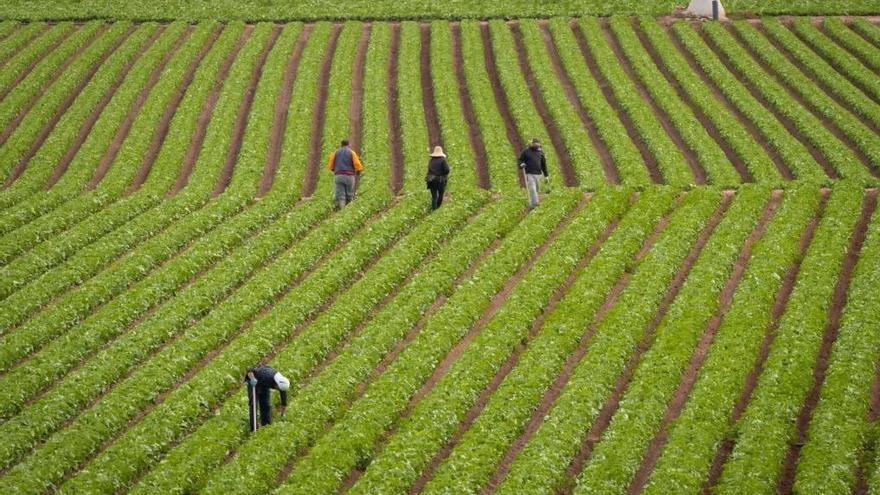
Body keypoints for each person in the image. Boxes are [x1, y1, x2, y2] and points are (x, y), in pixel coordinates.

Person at [244, 365, 290, 429]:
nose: (277, 389)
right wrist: (252, 378)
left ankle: (266, 426)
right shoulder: (266, 376)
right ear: (277, 384)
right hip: (254, 381)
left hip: (264, 384)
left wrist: (282, 414)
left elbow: (284, 401)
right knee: (253, 405)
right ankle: (253, 428)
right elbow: (250, 369)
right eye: (277, 388)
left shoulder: (282, 384)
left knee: (266, 404)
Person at [327, 139, 363, 208]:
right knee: (350, 194)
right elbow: (357, 164)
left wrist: (335, 170)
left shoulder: (335, 152)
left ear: (341, 145)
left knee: (340, 194)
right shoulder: (351, 152)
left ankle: (342, 209)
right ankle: (349, 210)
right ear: (348, 145)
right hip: (349, 176)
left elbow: (330, 165)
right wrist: (359, 171)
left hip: (339, 176)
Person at [518, 138, 549, 209]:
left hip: (538, 174)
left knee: (537, 189)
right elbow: (520, 159)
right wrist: (521, 164)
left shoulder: (541, 152)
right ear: (532, 144)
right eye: (534, 144)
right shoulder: (526, 151)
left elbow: (544, 165)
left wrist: (546, 175)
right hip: (529, 173)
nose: (536, 146)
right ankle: (535, 203)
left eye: (537, 144)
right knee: (532, 188)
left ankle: (533, 202)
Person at [425, 146, 450, 210]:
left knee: (434, 197)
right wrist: (444, 175)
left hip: (430, 180)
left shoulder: (431, 160)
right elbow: (447, 170)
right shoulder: (443, 160)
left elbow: (429, 170)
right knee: (441, 194)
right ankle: (437, 208)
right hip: (439, 181)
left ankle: (434, 210)